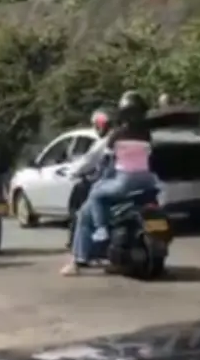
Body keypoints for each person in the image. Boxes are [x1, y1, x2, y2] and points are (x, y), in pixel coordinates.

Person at [62, 91, 158, 275]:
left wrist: (85, 174)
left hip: (123, 183)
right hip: (147, 183)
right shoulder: (146, 135)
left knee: (87, 208)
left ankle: (86, 250)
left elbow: (101, 163)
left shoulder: (114, 137)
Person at [64, 108, 116, 249]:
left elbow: (87, 162)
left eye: (96, 126)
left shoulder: (105, 142)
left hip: (107, 183)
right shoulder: (130, 136)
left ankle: (80, 251)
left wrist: (72, 172)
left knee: (81, 213)